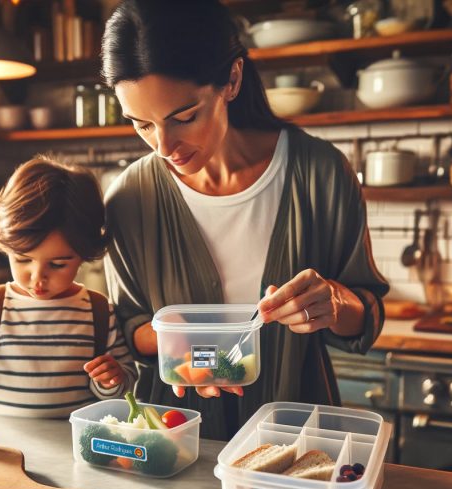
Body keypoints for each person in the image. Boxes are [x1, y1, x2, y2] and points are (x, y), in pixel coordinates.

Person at [99, 0, 389, 439]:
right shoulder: (129, 198)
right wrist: (182, 348)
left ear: (231, 80)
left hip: (296, 440)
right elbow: (128, 329)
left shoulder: (320, 173)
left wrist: (333, 301)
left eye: (184, 117)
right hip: (174, 442)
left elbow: (366, 314)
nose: (163, 146)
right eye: (141, 124)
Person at [0, 157, 137, 417]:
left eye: (58, 264)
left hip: (67, 448)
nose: (37, 278)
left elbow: (126, 382)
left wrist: (110, 381)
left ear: (83, 255)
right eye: (22, 260)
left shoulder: (99, 311)